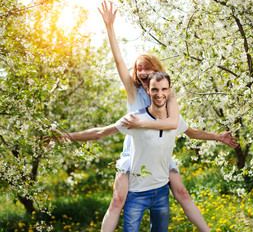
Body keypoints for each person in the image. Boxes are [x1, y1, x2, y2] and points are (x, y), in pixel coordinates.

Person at [98, 1, 239, 232]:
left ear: (157, 71)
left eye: (146, 67)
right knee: (117, 201)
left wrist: (217, 137)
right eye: (138, 68)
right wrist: (110, 27)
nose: (142, 71)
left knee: (182, 191)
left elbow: (181, 127)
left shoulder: (167, 96)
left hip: (159, 154)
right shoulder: (134, 92)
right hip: (133, 154)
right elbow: (118, 62)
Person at [50, 72, 236, 231]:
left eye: (164, 89)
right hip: (137, 193)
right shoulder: (134, 119)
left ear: (169, 91)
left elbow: (193, 133)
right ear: (148, 91)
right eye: (155, 89)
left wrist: (219, 137)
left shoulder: (176, 121)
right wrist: (67, 136)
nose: (159, 94)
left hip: (162, 191)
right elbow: (100, 133)